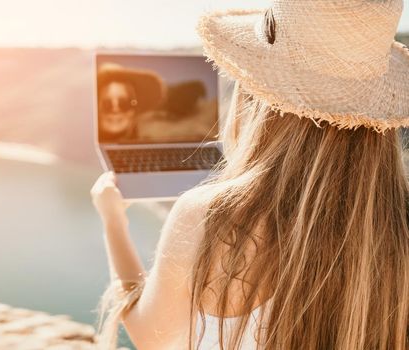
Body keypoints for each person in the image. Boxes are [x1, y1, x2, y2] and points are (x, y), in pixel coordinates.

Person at [91, 1, 409, 349]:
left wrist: (113, 221)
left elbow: (151, 338)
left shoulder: (208, 217)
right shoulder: (397, 228)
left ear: (258, 92)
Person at [97, 63, 166, 143]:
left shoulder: (149, 148)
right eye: (107, 104)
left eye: (124, 104)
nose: (115, 110)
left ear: (133, 110)